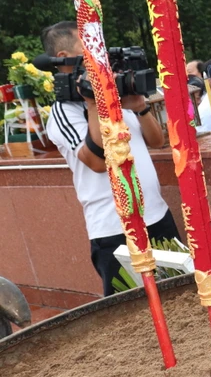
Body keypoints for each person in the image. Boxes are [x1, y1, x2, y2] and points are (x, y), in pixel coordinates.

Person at [42, 21, 177, 296]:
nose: (99, 52)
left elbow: (156, 141)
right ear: (66, 58)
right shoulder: (64, 112)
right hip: (114, 230)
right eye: (89, 46)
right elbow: (98, 162)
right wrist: (92, 104)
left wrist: (140, 107)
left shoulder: (114, 93)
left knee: (180, 295)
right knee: (132, 314)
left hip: (157, 215)